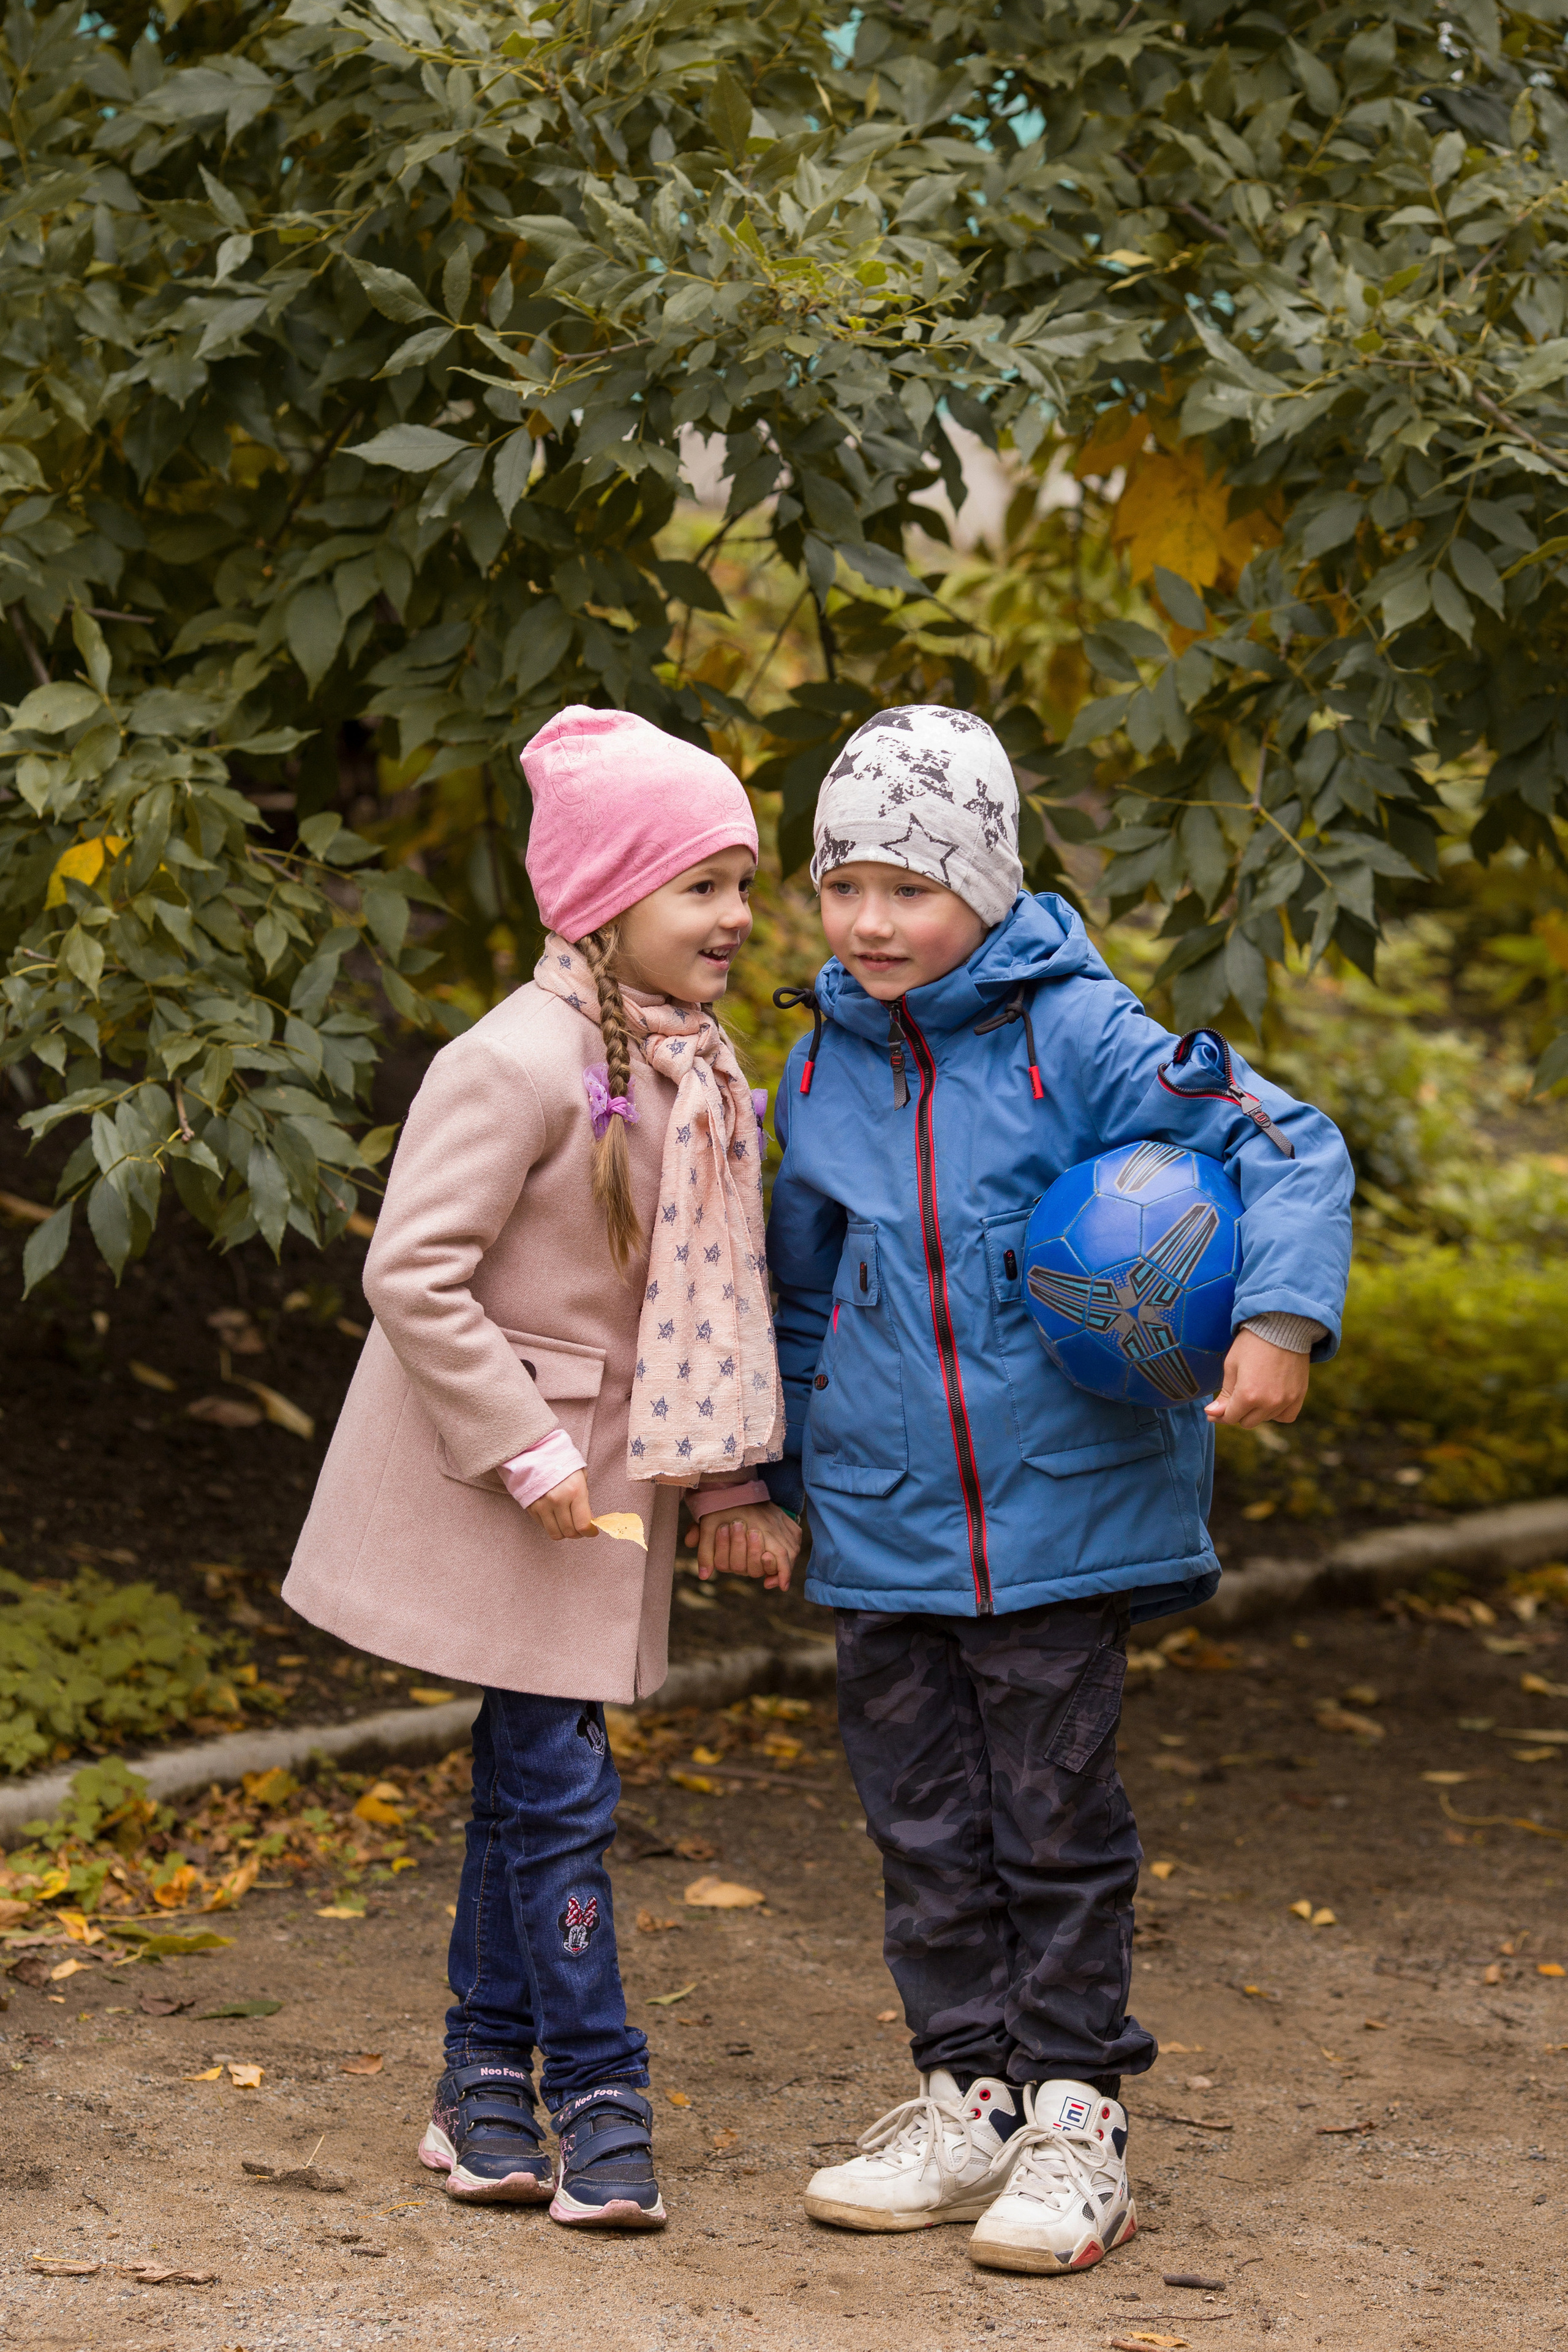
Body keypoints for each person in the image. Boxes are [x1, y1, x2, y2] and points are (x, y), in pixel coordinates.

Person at [725, 704, 1352, 2274]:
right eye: (842, 884)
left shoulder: (1077, 1035)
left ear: (988, 885)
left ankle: (1076, 2116)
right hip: (880, 1528)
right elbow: (799, 1302)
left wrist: (1275, 1319)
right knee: (923, 1831)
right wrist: (767, 1480)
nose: (870, 922)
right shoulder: (814, 1068)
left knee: (1050, 1826)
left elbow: (1286, 1142)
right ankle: (967, 2099)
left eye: (907, 888)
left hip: (1063, 1521)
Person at [284, 706, 800, 2230]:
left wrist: (723, 1487)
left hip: (612, 1494)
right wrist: (517, 1446)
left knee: (530, 1780)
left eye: (743, 885)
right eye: (701, 886)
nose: (735, 918)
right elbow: (410, 1271)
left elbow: (714, 1301)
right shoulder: (513, 1061)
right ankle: (598, 2083)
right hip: (517, 1486)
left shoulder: (699, 1071)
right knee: (556, 1783)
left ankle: (480, 2089)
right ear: (606, 901)